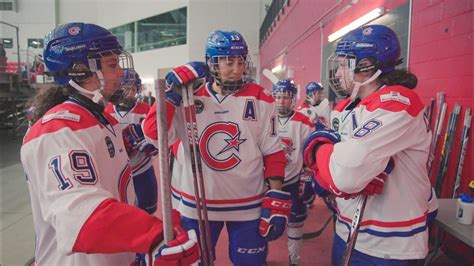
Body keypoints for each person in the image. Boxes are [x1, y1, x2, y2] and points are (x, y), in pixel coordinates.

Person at [20, 22, 198, 265]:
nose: (121, 73)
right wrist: (152, 236)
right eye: (112, 65)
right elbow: (80, 214)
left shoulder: (104, 117)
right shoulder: (57, 130)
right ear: (80, 70)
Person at [143, 30, 290, 265]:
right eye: (228, 62)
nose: (236, 68)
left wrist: (276, 194)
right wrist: (171, 95)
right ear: (212, 63)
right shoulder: (189, 95)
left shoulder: (262, 98)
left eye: (240, 61)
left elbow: (272, 151)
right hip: (196, 204)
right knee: (196, 261)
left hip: (248, 203)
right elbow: (154, 135)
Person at [302, 24, 438, 265]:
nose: (337, 73)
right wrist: (328, 175)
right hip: (348, 229)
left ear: (366, 67)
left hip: (390, 243)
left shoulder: (398, 102)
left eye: (344, 65)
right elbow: (334, 175)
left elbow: (344, 175)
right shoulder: (347, 106)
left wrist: (318, 149)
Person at [271, 79, 314, 266]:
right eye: (278, 97)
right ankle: (259, 257)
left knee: (295, 224)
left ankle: (294, 261)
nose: (281, 101)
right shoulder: (266, 118)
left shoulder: (304, 122)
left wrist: (308, 175)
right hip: (267, 182)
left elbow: (309, 152)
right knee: (263, 222)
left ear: (292, 99)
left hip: (292, 181)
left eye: (286, 97)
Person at [105, 69, 158, 215]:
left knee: (148, 214)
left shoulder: (147, 110)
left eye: (133, 88)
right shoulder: (106, 111)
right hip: (117, 172)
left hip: (142, 169)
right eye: (126, 88)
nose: (130, 93)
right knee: (120, 216)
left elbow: (157, 140)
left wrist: (151, 144)